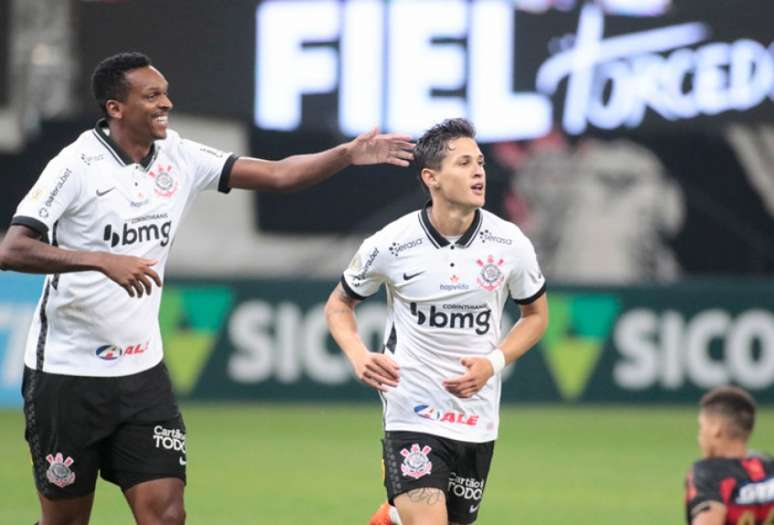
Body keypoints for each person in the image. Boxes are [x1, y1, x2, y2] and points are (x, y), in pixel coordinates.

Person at [0, 51, 413, 525]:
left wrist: (347, 155)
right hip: (65, 377)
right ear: (116, 108)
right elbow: (12, 249)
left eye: (166, 93)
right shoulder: (75, 165)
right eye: (151, 95)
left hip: (141, 374)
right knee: (65, 521)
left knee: (167, 514)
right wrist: (98, 259)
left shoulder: (179, 155)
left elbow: (279, 175)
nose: (166, 103)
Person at [324, 118, 549, 525]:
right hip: (411, 409)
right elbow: (339, 305)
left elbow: (536, 316)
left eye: (479, 161)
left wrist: (492, 364)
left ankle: (389, 517)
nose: (478, 171)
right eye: (464, 163)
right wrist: (358, 355)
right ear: (432, 178)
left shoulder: (510, 243)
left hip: (476, 416)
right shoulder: (391, 243)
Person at [685, 386, 774, 525]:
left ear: (716, 429)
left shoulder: (708, 474)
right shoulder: (769, 466)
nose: (699, 436)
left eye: (701, 427)